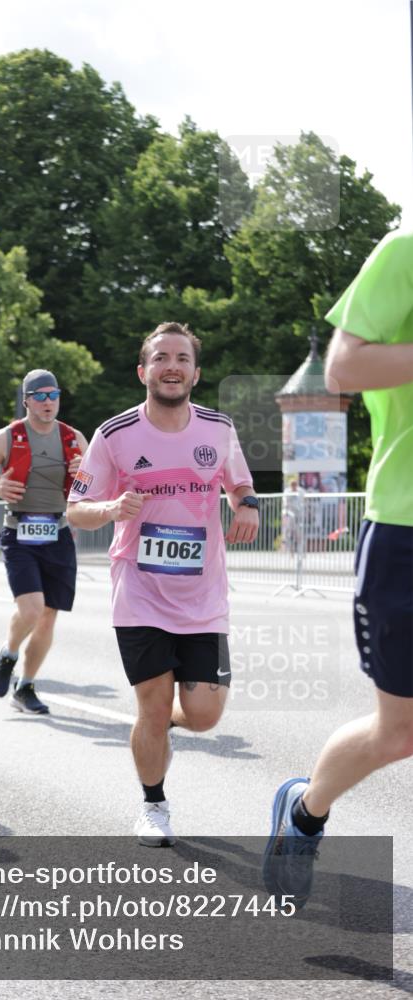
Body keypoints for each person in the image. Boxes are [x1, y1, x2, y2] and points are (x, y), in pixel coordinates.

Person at [264, 229, 413, 907]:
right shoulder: (405, 249)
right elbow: (343, 369)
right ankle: (304, 810)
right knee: (398, 733)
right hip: (405, 528)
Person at [66, 323, 258, 845]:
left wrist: (249, 507)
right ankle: (154, 804)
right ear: (143, 370)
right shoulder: (115, 434)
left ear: (195, 372)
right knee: (151, 706)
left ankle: (162, 724)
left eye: (181, 358)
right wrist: (110, 507)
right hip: (140, 593)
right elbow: (76, 510)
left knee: (203, 715)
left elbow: (241, 484)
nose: (171, 366)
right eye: (160, 358)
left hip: (203, 597)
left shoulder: (218, 428)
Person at [0, 369, 87, 714]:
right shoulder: (6, 437)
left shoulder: (74, 437)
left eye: (54, 394)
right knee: (31, 609)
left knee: (48, 617)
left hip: (59, 532)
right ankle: (8, 653)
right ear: (27, 401)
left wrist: (84, 474)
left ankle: (26, 686)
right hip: (19, 531)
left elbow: (96, 484)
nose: (49, 402)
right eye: (41, 395)